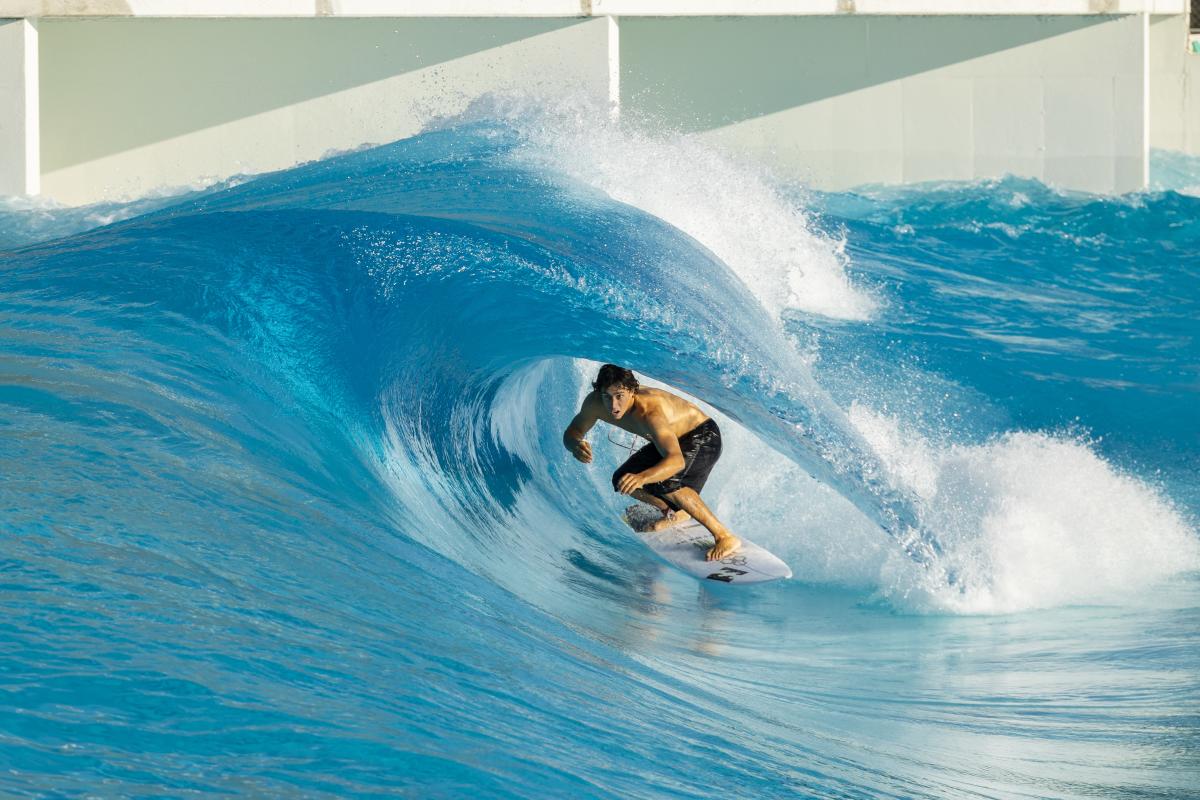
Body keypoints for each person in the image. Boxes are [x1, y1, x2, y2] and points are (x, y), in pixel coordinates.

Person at [562, 364, 741, 561]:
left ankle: (725, 537)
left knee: (666, 481)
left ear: (632, 391)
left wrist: (642, 477)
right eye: (607, 396)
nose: (613, 405)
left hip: (703, 437)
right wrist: (575, 445)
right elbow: (573, 431)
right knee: (621, 479)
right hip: (671, 441)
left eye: (619, 396)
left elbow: (676, 461)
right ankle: (674, 513)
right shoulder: (595, 403)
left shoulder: (649, 413)